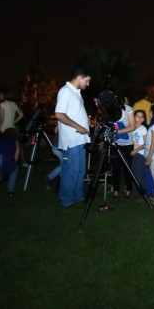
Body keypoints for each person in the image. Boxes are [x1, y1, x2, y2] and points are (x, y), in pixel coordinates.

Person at [54, 68, 91, 208]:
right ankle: (66, 200)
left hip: (81, 140)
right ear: (80, 78)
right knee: (71, 171)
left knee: (80, 170)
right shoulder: (65, 91)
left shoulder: (77, 93)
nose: (88, 84)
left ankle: (77, 196)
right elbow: (59, 114)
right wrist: (78, 127)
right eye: (87, 81)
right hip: (71, 140)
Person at [111, 94, 136, 200]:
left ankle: (128, 190)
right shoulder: (111, 110)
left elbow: (132, 126)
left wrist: (117, 132)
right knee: (115, 168)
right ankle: (115, 191)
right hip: (114, 144)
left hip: (127, 144)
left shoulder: (128, 109)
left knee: (127, 168)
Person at [129, 109, 148, 201]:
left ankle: (143, 195)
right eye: (138, 116)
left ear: (144, 119)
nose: (140, 118)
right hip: (135, 153)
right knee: (134, 173)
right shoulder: (132, 128)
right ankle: (135, 193)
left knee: (140, 174)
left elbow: (146, 143)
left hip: (141, 154)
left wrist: (136, 150)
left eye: (142, 116)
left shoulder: (143, 129)